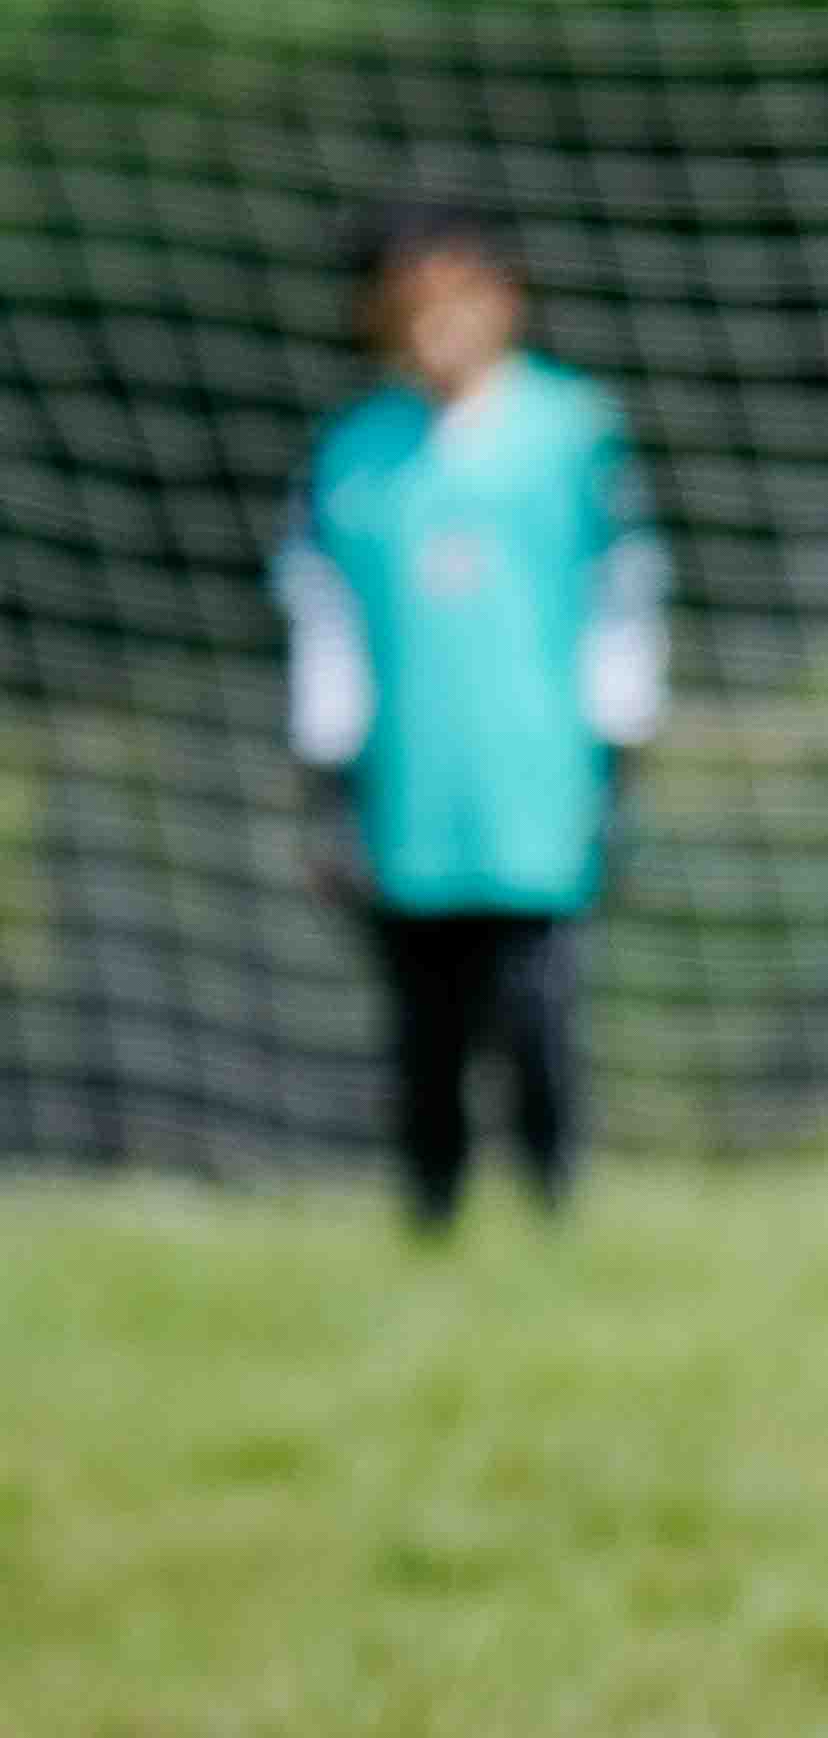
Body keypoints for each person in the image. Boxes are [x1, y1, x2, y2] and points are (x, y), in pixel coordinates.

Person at [273, 208, 667, 1232]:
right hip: (407, 787)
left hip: (539, 783)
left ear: (503, 300)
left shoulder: (574, 431)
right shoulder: (353, 453)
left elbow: (623, 597)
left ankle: (555, 1207)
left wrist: (620, 753)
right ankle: (431, 1219)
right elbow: (326, 628)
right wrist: (326, 787)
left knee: (539, 1013)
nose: (434, 328)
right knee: (424, 1025)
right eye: (412, 307)